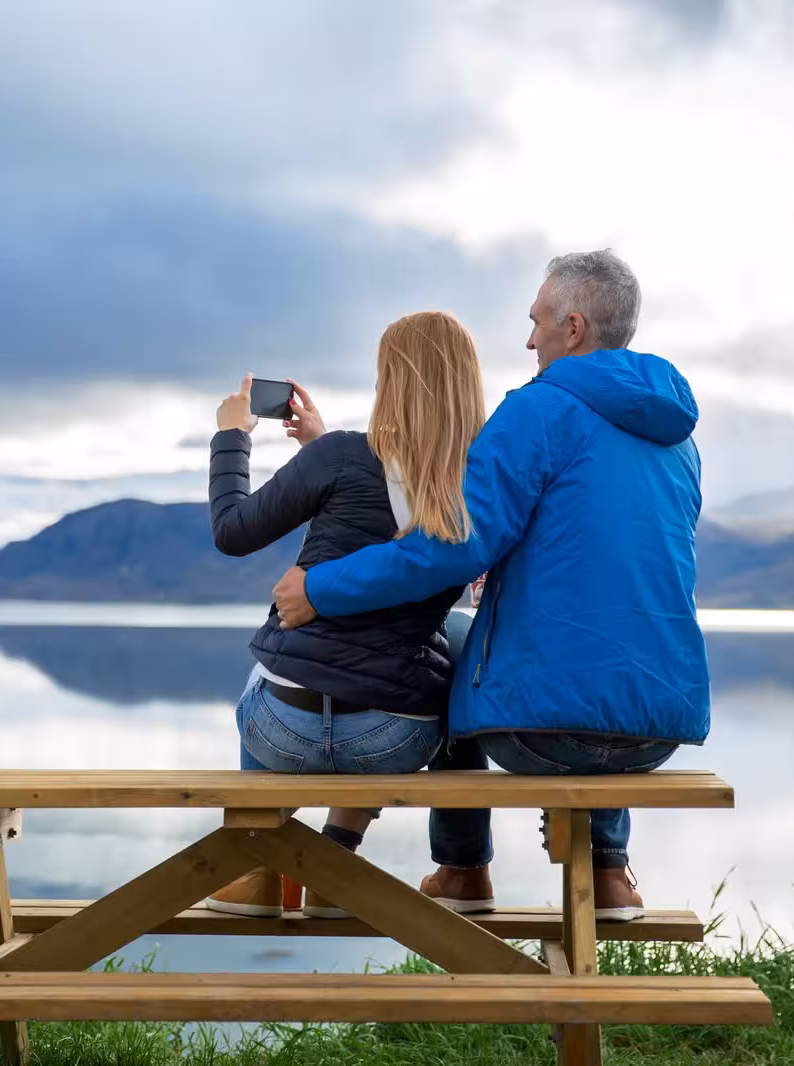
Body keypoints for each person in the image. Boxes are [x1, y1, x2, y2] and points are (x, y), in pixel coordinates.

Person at [271, 250, 709, 921]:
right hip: (659, 727)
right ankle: (611, 874)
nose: (528, 340)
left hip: (547, 732)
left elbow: (447, 549)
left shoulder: (537, 412)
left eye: (536, 323)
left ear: (573, 327)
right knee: (602, 654)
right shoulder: (677, 439)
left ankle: (462, 869)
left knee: (446, 644)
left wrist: (321, 588)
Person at [205, 311, 486, 918]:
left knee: (273, 667)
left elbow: (232, 532)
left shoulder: (339, 459)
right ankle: (351, 861)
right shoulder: (480, 484)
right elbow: (394, 499)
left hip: (283, 730)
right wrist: (320, 445)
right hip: (390, 741)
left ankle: (255, 865)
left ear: (390, 380)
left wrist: (234, 435)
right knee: (443, 653)